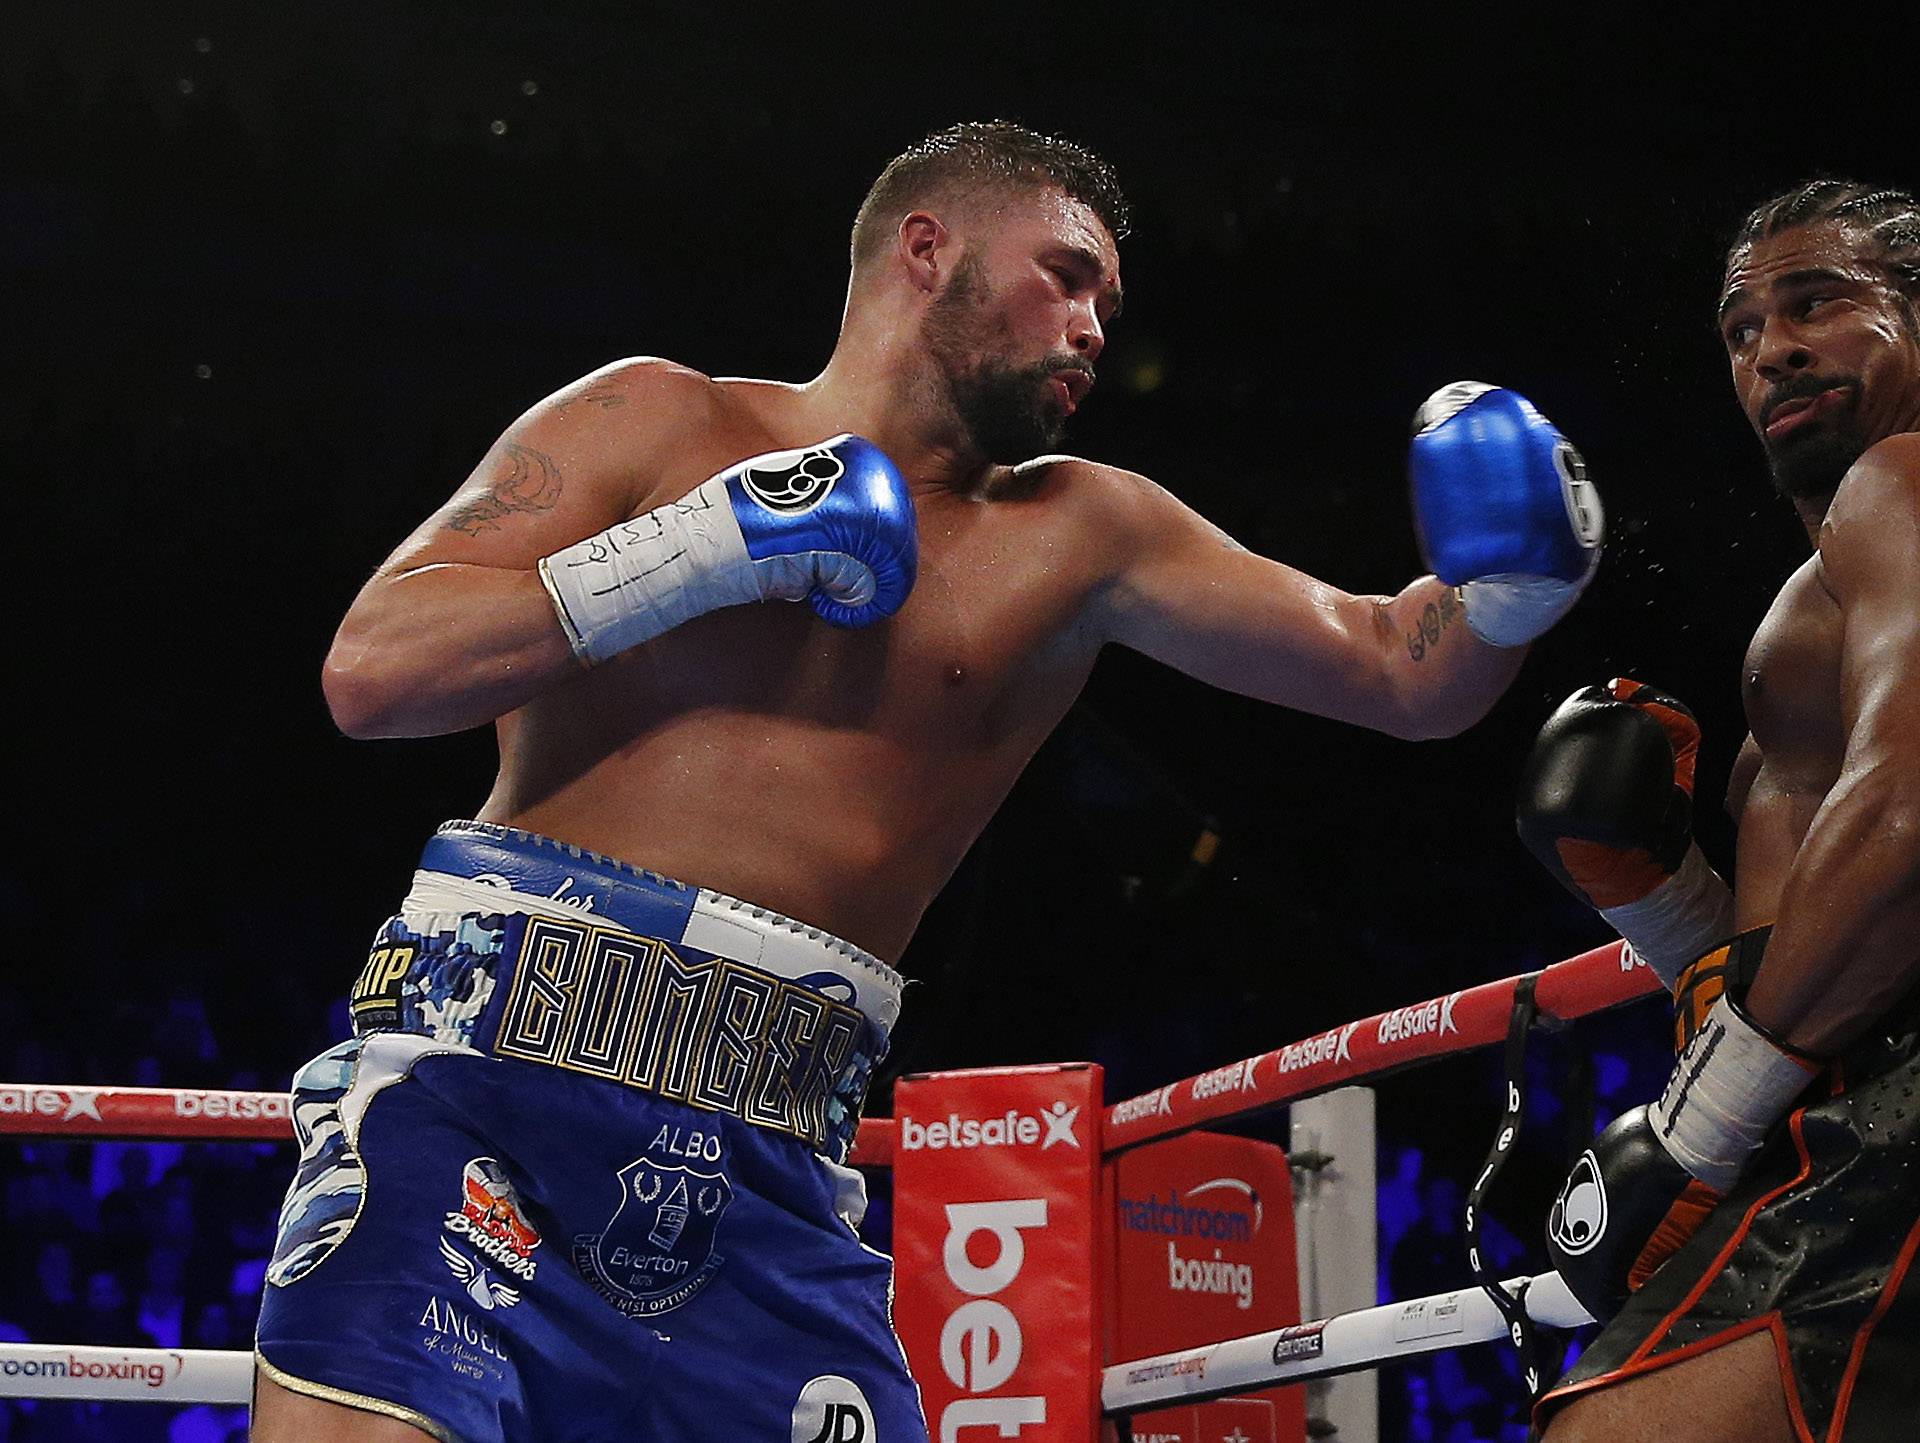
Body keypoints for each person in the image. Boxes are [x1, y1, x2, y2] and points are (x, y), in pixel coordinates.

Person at [253, 120, 1600, 1442]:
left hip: (768, 1164)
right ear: (925, 246)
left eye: (1109, 302)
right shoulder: (663, 418)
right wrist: (702, 545)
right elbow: (374, 671)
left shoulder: (1085, 534)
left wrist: (1513, 590)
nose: (1092, 327)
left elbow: (1400, 673)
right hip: (478, 1080)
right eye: (1064, 275)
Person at [1519, 180, 1920, 1442]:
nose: (1772, 349)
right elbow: (1821, 930)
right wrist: (1658, 896)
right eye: (1741, 330)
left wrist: (1699, 1126)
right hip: (1853, 1090)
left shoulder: (1902, 483)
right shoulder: (1831, 593)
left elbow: (1910, 812)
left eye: (1817, 303)